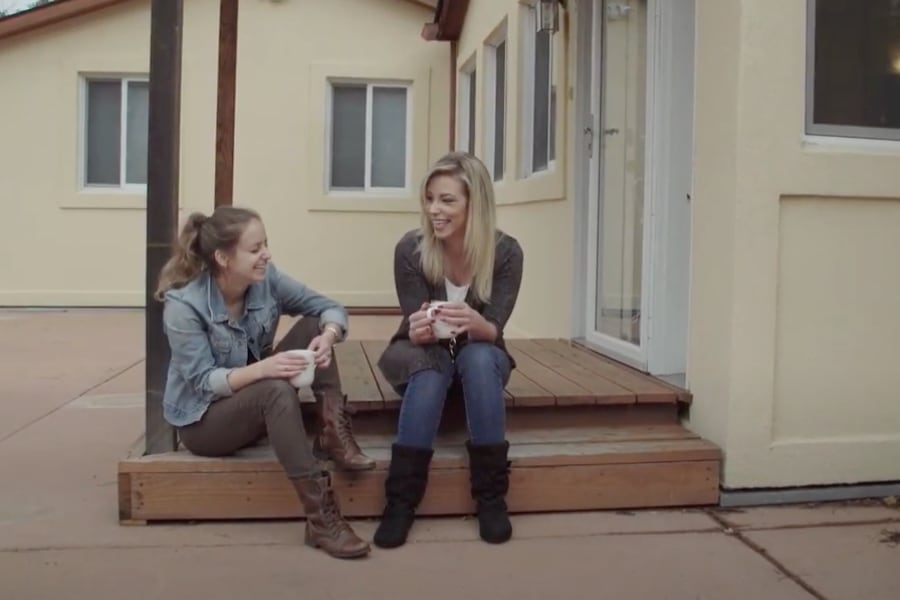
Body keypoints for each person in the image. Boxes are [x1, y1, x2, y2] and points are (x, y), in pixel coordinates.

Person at [154, 206, 373, 559]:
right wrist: (265, 369)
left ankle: (333, 432)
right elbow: (202, 381)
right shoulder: (185, 306)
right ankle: (320, 519)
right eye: (255, 249)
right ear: (223, 257)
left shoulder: (268, 279)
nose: (266, 255)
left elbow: (328, 307)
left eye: (265, 245)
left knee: (315, 323)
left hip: (260, 401)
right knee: (275, 389)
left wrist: (329, 336)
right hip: (205, 422)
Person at [374, 152, 524, 548]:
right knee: (433, 362)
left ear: (475, 204)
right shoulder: (411, 249)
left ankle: (491, 498)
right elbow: (413, 322)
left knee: (476, 356)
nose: (434, 210)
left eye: (446, 200)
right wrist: (419, 328)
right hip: (424, 355)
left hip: (480, 357)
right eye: (429, 199)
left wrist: (476, 324)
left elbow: (494, 328)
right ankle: (400, 503)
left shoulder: (506, 253)